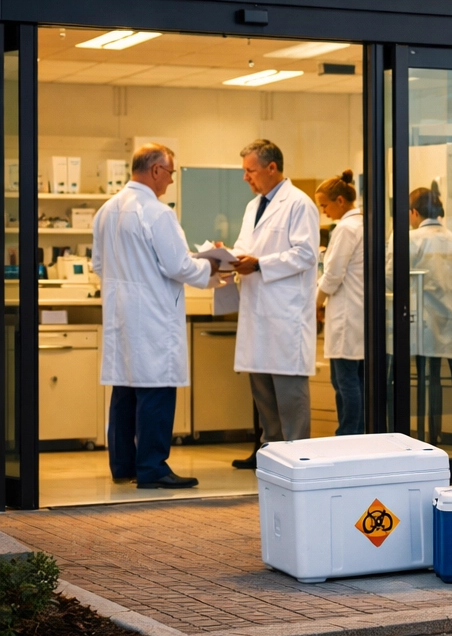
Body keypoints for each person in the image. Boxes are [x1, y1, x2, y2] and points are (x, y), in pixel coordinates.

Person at [93, 143, 218, 489]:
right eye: (171, 173)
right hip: (153, 315)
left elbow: (99, 265)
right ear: (157, 171)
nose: (170, 181)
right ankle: (152, 468)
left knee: (125, 389)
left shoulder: (107, 209)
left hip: (121, 313)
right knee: (156, 391)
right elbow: (178, 264)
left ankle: (123, 465)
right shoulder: (157, 212)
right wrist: (214, 267)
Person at [229, 139, 320, 469]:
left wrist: (261, 263)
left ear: (272, 168)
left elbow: (306, 253)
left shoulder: (299, 204)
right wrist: (231, 258)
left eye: (250, 171)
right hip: (257, 307)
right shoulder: (254, 206)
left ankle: (297, 457)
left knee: (288, 391)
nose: (245, 178)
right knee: (263, 390)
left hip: (285, 313)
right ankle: (269, 451)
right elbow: (246, 245)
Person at [399, 187, 452, 446]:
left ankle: (407, 439)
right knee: (435, 377)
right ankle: (434, 437)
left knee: (400, 374)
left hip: (420, 327)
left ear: (414, 212)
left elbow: (389, 279)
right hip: (449, 326)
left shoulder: (411, 239)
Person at [316, 171, 364, 436]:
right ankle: (359, 432)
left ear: (341, 201)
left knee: (344, 381)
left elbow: (332, 274)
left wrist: (316, 302)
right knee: (357, 380)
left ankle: (347, 435)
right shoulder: (367, 224)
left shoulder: (346, 228)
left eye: (325, 205)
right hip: (359, 313)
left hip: (346, 314)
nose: (324, 211)